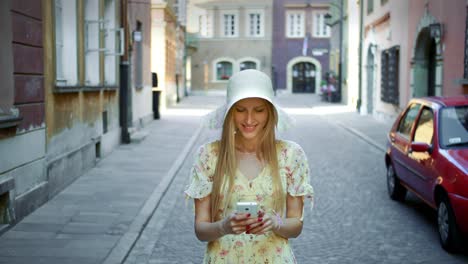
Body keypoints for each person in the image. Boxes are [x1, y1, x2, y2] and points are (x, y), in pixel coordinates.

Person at [185, 69, 314, 263]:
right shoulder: (209, 155)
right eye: (240, 109)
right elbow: (201, 230)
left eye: (259, 110)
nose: (249, 119)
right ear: (230, 112)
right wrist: (224, 227)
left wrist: (275, 223)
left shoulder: (291, 155)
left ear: (270, 112)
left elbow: (296, 225)